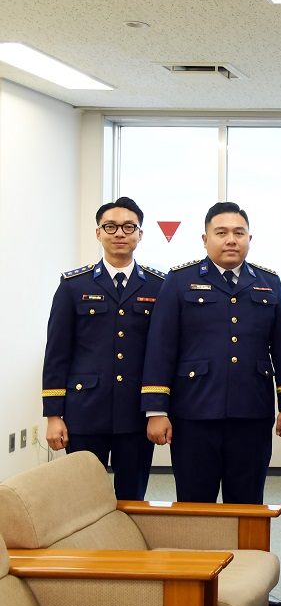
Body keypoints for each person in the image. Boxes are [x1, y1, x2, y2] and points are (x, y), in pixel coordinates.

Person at [141, 202, 281, 606]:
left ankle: (250, 586)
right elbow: (160, 347)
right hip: (193, 414)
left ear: (249, 239)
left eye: (238, 232)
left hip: (251, 413)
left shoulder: (269, 283)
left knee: (248, 507)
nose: (230, 239)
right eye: (221, 232)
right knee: (196, 506)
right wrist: (156, 410)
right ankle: (195, 585)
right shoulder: (180, 281)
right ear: (205, 238)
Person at [42, 196, 164, 501]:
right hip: (84, 411)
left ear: (140, 234)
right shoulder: (73, 285)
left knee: (131, 497)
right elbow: (57, 354)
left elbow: (163, 352)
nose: (119, 233)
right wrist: (54, 415)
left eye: (128, 227)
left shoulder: (159, 286)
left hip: (136, 412)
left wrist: (159, 408)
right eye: (110, 226)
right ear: (98, 233)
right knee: (83, 497)